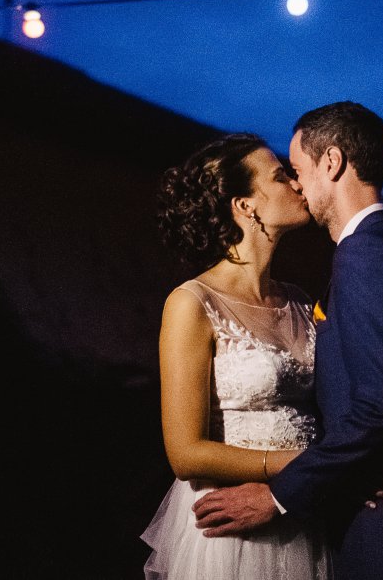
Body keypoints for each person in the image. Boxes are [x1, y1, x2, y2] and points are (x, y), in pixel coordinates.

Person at [192, 102, 383, 579]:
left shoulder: (365, 253)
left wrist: (277, 496)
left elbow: (379, 407)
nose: (297, 184)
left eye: (299, 169)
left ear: (331, 162)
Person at [141, 132, 332, 579]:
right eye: (281, 176)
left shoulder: (303, 303)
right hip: (233, 532)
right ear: (245, 205)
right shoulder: (192, 302)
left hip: (302, 515)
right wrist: (302, 463)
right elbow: (185, 453)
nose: (298, 185)